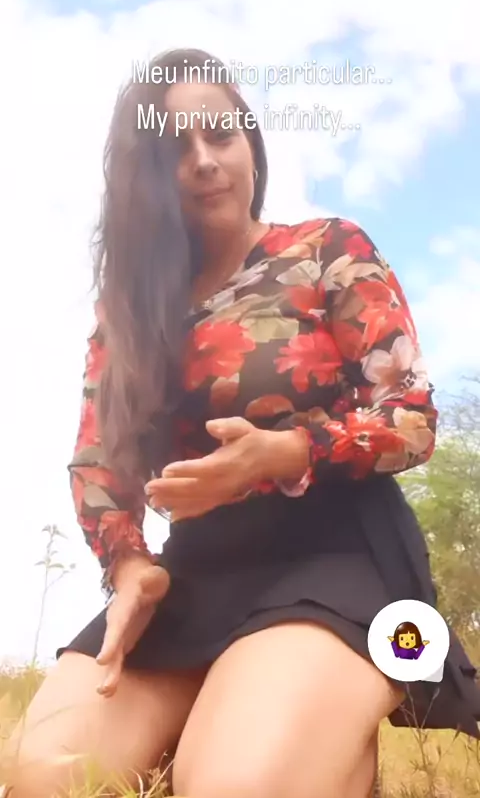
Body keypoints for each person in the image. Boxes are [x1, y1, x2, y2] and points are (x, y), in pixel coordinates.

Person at [3, 48, 479, 798]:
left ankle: (310, 741)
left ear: (250, 144)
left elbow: (411, 417)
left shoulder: (327, 249)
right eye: (174, 150)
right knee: (42, 777)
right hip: (195, 571)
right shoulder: (126, 316)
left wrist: (282, 453)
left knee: (236, 785)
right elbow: (99, 461)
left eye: (220, 135)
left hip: (335, 552)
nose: (203, 160)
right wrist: (129, 568)